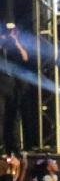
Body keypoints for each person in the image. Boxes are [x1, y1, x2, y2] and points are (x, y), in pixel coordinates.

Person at [0, 24, 28, 154]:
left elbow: (25, 57)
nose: (12, 33)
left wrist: (15, 42)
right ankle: (1, 146)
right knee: (1, 116)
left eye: (14, 31)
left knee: (14, 117)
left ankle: (15, 146)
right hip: (1, 86)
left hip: (13, 86)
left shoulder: (14, 45)